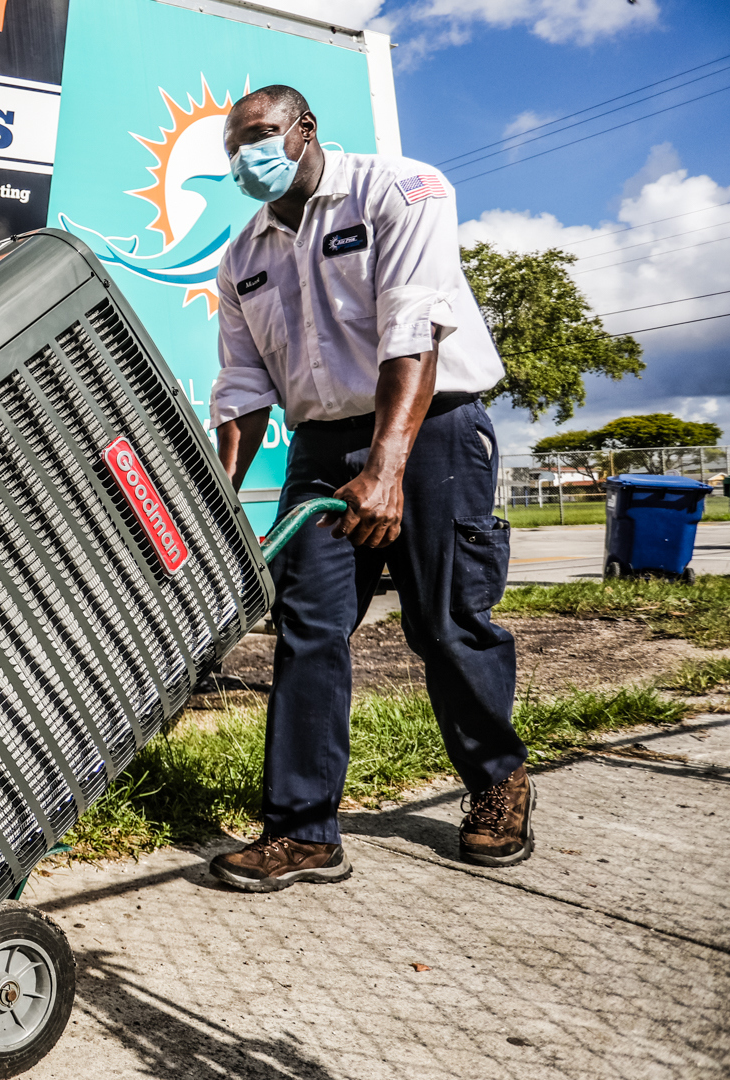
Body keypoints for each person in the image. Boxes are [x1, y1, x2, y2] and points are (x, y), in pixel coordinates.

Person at [206, 85, 533, 893]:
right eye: (233, 145)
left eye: (259, 134)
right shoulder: (244, 255)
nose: (245, 154)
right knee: (308, 628)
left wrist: (386, 470)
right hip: (320, 446)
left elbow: (411, 329)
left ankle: (499, 781)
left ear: (304, 129)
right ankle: (303, 830)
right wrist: (216, 499)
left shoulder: (400, 190)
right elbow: (244, 389)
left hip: (431, 428)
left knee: (447, 622)